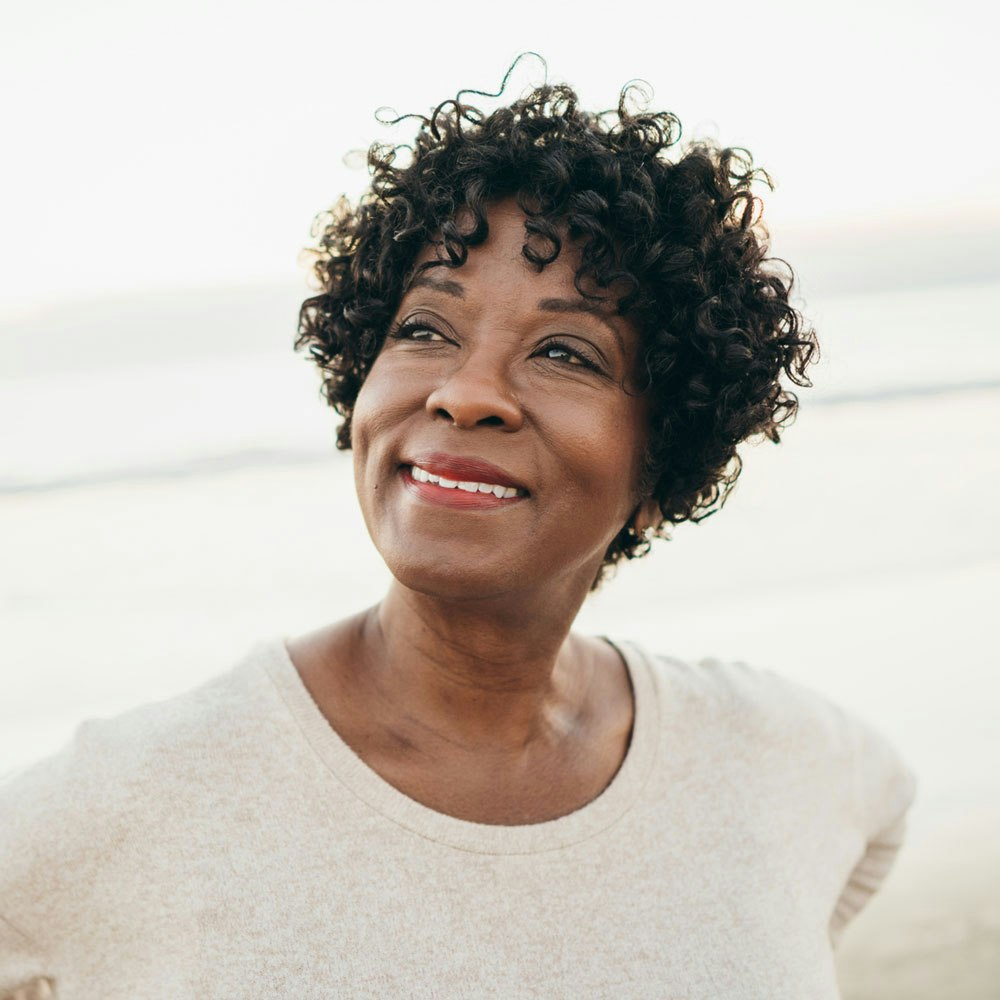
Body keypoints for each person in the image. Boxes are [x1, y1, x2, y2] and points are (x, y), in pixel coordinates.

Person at [0, 67, 915, 999]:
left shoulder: (774, 753)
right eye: (427, 328)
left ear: (661, 471)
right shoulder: (139, 797)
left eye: (566, 352)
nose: (465, 391)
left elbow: (880, 815)